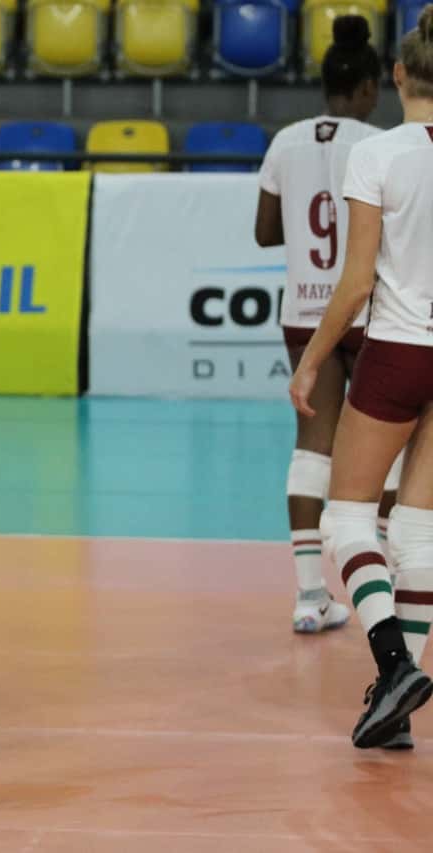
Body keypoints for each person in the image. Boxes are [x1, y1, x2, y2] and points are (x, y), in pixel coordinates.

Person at [289, 7, 433, 750]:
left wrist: (312, 360)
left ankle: (393, 664)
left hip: (400, 348)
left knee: (348, 519)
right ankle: (396, 708)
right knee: (418, 528)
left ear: (401, 74)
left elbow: (352, 286)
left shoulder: (380, 153)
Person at [256, 15, 403, 635]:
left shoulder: (286, 141)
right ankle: (389, 586)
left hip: (303, 313)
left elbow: (264, 233)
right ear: (371, 86)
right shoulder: (377, 143)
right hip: (366, 311)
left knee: (309, 449)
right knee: (390, 451)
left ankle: (310, 595)